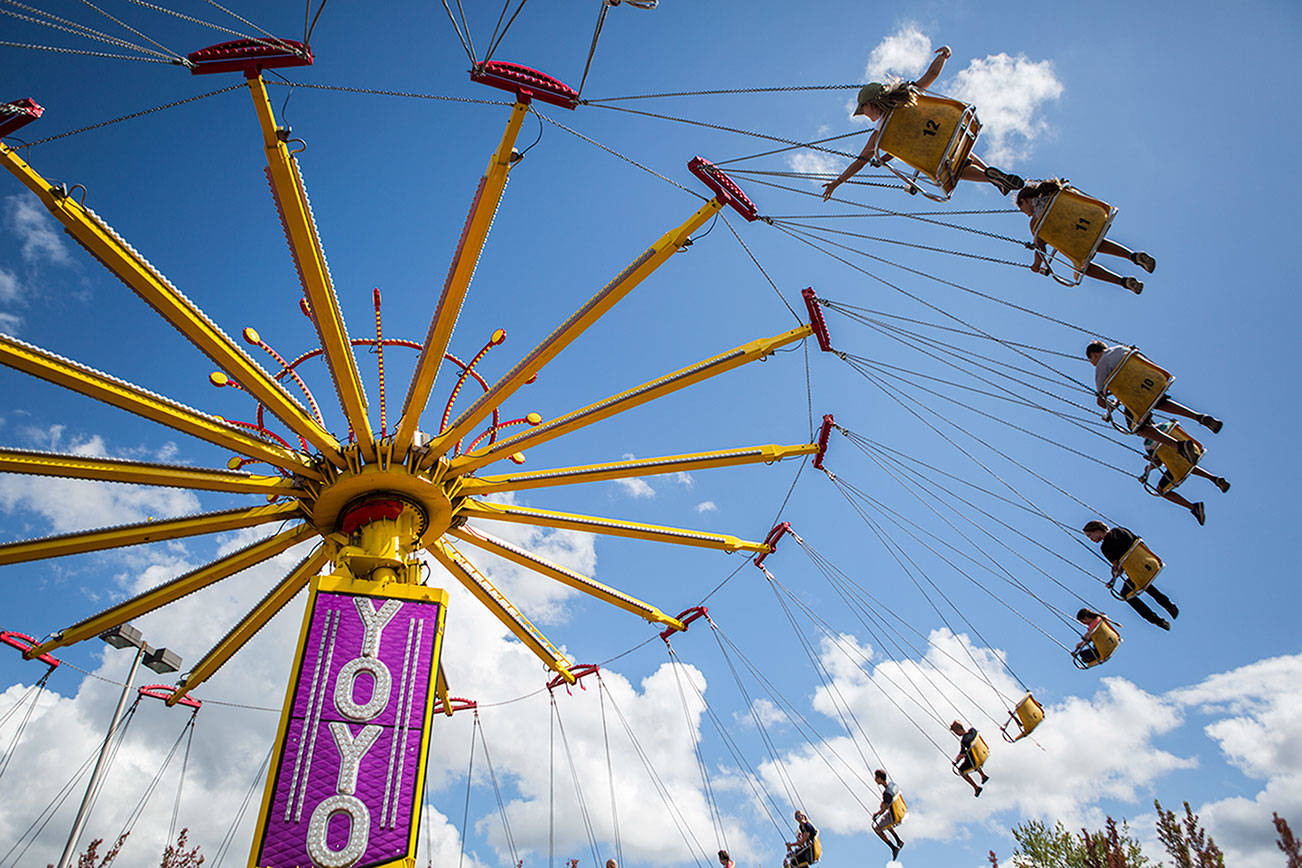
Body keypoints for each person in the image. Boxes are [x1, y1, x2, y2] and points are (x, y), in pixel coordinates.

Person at [821, 45, 1024, 201]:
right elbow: (932, 75)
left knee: (952, 169)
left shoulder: (881, 133)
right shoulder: (908, 96)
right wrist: (943, 56)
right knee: (956, 147)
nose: (863, 114)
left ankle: (990, 178)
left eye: (863, 109)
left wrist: (837, 182)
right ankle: (995, 176)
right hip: (944, 131)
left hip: (932, 154)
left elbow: (860, 161)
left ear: (871, 104)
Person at [1016, 179, 1155, 293]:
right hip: (1089, 221)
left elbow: (1041, 247)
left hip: (1076, 241)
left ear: (1026, 200)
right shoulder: (1056, 193)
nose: (1026, 214)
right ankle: (1134, 256)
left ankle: (1123, 282)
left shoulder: (1036, 222)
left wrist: (1036, 265)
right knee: (1095, 241)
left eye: (1023, 209)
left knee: (1083, 267)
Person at [1086, 341, 1223, 449]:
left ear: (1094, 354)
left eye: (1091, 360)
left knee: (1138, 428)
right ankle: (1199, 417)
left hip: (1136, 396)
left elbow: (1101, 402)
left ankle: (1178, 446)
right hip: (1150, 382)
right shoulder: (1121, 349)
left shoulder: (1101, 366)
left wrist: (1108, 405)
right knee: (1158, 401)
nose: (1092, 363)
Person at [1082, 520, 1179, 627]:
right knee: (1139, 580)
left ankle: (1155, 620)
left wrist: (1112, 580)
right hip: (1150, 563)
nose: (1091, 539)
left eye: (1090, 535)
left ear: (1097, 530)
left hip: (1138, 571)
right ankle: (1168, 604)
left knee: (1125, 593)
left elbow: (1118, 569)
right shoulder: (1121, 530)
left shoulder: (1105, 547)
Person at [1142, 418, 1230, 519]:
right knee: (1185, 461)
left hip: (1177, 465)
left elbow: (1158, 462)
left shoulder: (1148, 443)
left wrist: (1148, 468)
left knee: (1160, 490)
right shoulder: (1167, 424)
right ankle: (1213, 478)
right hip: (1192, 450)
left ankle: (1192, 507)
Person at [950, 720, 990, 797]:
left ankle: (976, 787)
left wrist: (956, 761)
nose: (956, 734)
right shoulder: (973, 731)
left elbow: (961, 754)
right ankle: (983, 775)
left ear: (958, 730)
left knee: (961, 770)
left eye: (955, 732)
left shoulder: (964, 741)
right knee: (971, 755)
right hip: (983, 752)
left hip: (975, 761)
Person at [872, 769, 905, 860]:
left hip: (895, 815)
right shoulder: (892, 785)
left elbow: (883, 809)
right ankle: (899, 841)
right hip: (901, 810)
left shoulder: (886, 793)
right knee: (885, 821)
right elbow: (889, 801)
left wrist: (876, 814)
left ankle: (893, 848)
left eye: (876, 778)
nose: (875, 779)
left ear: (879, 778)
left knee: (877, 828)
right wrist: (884, 804)